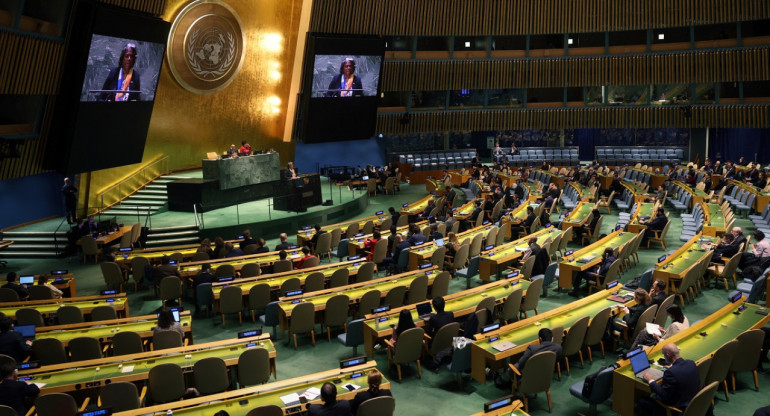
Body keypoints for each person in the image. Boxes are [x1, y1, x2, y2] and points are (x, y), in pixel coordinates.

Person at [638, 343, 700, 416]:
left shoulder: (671, 373)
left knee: (642, 400)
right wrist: (673, 369)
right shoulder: (691, 363)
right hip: (691, 402)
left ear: (668, 355)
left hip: (675, 409)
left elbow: (664, 395)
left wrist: (650, 380)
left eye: (663, 355)